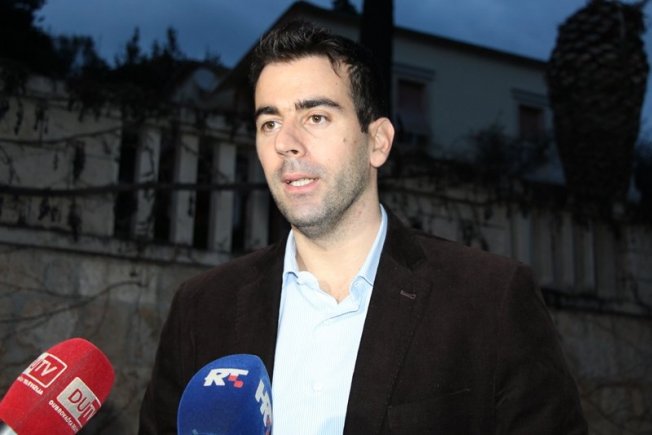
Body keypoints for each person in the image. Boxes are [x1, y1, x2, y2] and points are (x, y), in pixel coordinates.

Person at [139, 20, 587, 434]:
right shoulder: (202, 309)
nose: (285, 143)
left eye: (316, 117)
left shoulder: (489, 299)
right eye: (269, 122)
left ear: (378, 142)